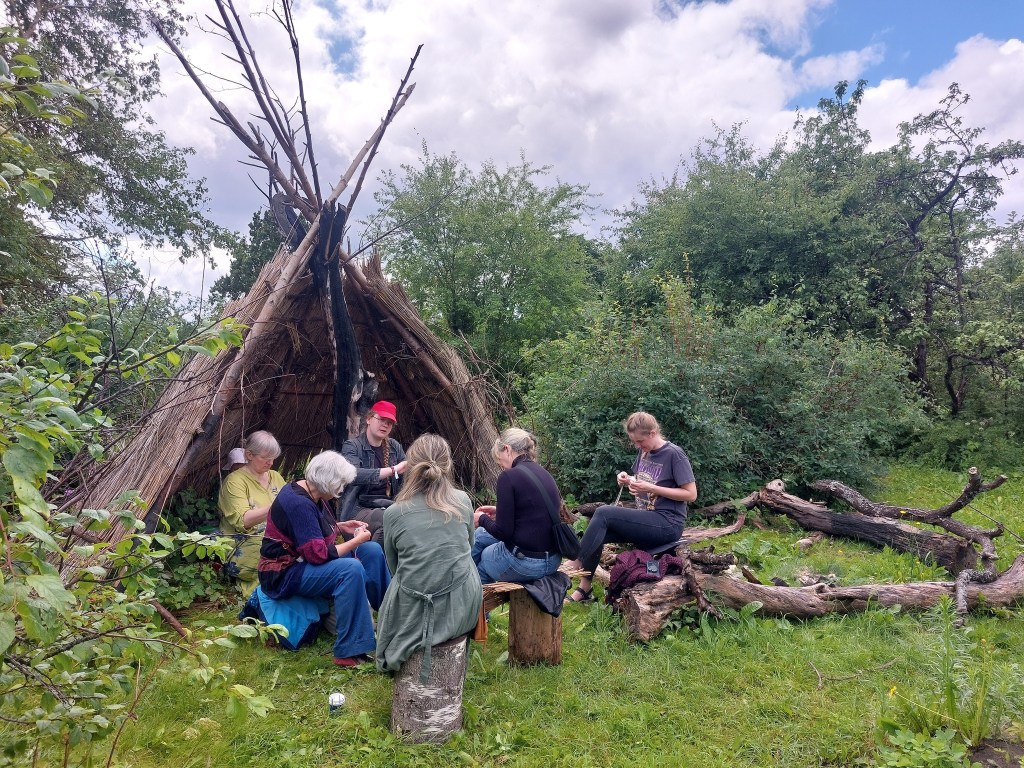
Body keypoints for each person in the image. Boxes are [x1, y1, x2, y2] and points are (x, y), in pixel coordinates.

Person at [258, 450, 391, 666]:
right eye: (341, 485)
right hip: (283, 574)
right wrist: (356, 541)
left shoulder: (312, 491)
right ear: (328, 483)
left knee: (372, 551)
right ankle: (349, 651)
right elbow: (317, 555)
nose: (342, 489)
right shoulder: (298, 502)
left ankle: (393, 622)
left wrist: (341, 526)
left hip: (302, 564)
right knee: (350, 569)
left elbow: (308, 529)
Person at [375, 434, 482, 678]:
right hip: (462, 602)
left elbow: (394, 566)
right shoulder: (463, 500)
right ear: (448, 464)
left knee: (400, 583)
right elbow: (469, 545)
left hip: (416, 598)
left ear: (410, 466)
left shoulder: (394, 513)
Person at [564, 412, 697, 603]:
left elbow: (691, 494)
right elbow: (643, 480)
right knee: (599, 531)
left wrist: (651, 488)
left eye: (640, 441)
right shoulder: (644, 451)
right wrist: (628, 479)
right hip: (647, 519)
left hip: (668, 524)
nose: (637, 446)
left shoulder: (674, 454)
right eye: (634, 442)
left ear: (652, 433)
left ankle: (577, 560)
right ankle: (585, 589)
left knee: (603, 512)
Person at [471, 428, 564, 584]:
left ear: (507, 449)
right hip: (553, 559)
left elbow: (503, 533)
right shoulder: (544, 473)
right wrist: (500, 511)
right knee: (480, 535)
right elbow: (534, 511)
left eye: (500, 460)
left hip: (528, 564)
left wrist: (481, 519)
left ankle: (467, 588)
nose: (502, 466)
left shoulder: (508, 476)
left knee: (484, 559)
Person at [218, 431, 285, 597]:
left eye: (273, 458)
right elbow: (243, 521)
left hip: (274, 535)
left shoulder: (275, 476)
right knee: (276, 549)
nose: (271, 462)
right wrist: (278, 506)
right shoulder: (235, 481)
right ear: (249, 455)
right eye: (265, 458)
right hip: (244, 541)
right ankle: (266, 595)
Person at [339, 400, 409, 543]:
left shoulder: (394, 447)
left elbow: (407, 479)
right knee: (387, 519)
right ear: (369, 419)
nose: (385, 425)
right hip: (358, 508)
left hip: (389, 505)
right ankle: (369, 555)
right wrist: (393, 470)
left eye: (389, 422)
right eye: (381, 419)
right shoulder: (352, 446)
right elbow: (354, 475)